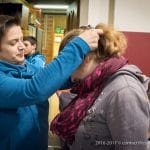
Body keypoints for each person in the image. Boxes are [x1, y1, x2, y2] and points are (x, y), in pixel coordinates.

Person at [0, 15, 102, 150]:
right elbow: (34, 90)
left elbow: (54, 80)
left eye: (21, 40)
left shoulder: (27, 67)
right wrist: (78, 46)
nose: (21, 47)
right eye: (13, 43)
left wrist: (82, 72)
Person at [50, 23, 150, 150]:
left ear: (85, 58)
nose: (64, 71)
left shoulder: (125, 92)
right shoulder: (93, 84)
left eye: (67, 62)